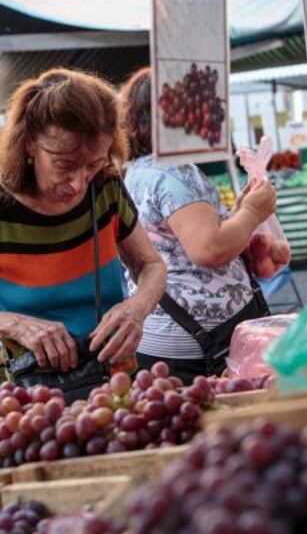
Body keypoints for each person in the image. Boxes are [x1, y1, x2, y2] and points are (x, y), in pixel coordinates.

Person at [0, 69, 167, 398]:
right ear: (29, 144)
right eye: (64, 164)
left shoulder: (106, 186)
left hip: (118, 383)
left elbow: (151, 265)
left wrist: (136, 309)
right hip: (40, 400)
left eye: (93, 164)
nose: (78, 183)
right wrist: (14, 325)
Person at [119, 67, 277, 383]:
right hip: (202, 344)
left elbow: (180, 240)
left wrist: (238, 213)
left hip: (167, 336)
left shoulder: (137, 172)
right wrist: (251, 214)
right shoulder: (173, 173)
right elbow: (209, 249)